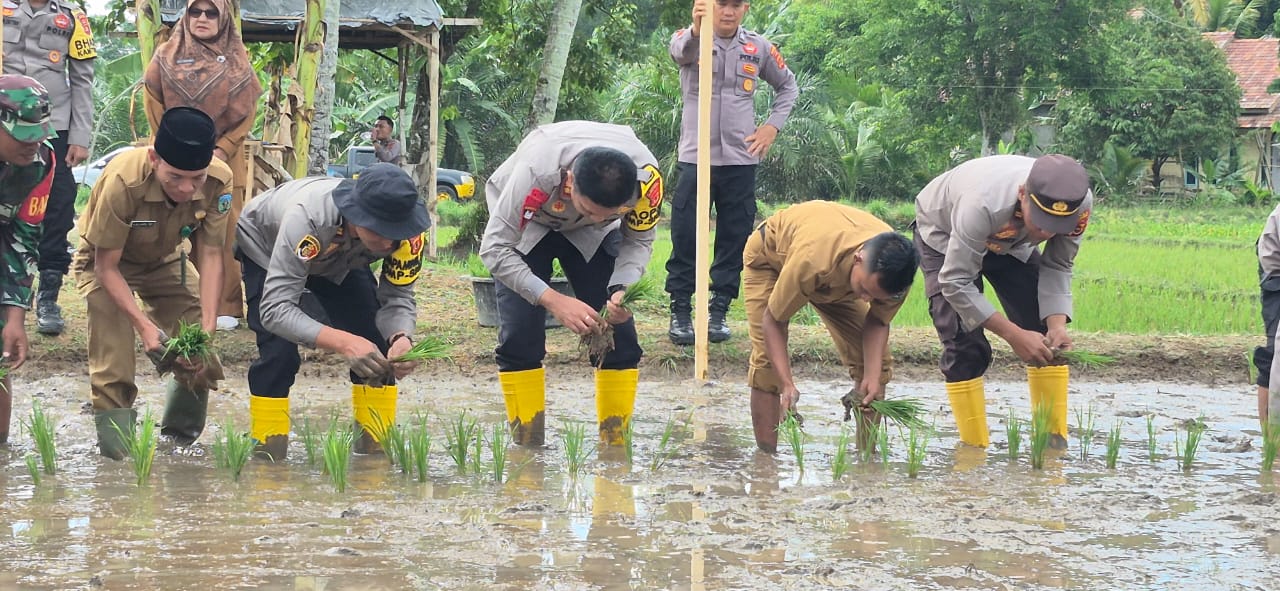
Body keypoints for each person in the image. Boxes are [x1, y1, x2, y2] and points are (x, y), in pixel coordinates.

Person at [479, 121, 663, 447]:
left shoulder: (647, 182)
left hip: (592, 241)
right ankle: (527, 447)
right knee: (521, 336)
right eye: (589, 209)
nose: (594, 218)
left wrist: (623, 288)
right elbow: (494, 250)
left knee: (618, 337)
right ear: (570, 180)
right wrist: (552, 299)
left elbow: (638, 240)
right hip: (529, 224)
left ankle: (614, 447)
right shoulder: (537, 169)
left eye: (607, 214)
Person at [236, 163, 429, 460]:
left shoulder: (408, 238)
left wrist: (401, 336)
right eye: (383, 231)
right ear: (356, 214)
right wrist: (345, 343)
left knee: (377, 346)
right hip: (269, 244)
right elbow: (275, 310)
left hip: (343, 257)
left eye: (397, 233)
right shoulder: (308, 218)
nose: (390, 243)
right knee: (279, 355)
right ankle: (268, 455)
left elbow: (398, 295)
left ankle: (372, 454)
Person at [73, 107, 232, 459]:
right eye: (175, 177)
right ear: (153, 158)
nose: (187, 189)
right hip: (106, 262)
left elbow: (210, 255)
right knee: (114, 361)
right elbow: (106, 266)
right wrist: (144, 328)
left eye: (197, 178)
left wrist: (206, 328)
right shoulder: (123, 181)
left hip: (164, 258)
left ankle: (178, 445)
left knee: (197, 348)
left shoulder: (219, 181)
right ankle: (120, 459)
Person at [913, 154, 1093, 448]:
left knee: (1046, 337)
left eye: (1055, 226)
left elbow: (1059, 265)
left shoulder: (1079, 205)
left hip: (1011, 243)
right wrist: (1013, 335)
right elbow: (956, 282)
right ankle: (973, 448)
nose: (1046, 233)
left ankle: (1051, 445)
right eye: (1042, 221)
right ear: (1023, 194)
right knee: (965, 343)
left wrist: (1057, 324)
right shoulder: (982, 203)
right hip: (945, 235)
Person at [663, 0, 798, 346]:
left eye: (735, 5)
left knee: (734, 236)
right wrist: (696, 29)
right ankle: (680, 311)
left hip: (740, 158)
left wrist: (772, 127)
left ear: (745, 8)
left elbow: (788, 87)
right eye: (721, 3)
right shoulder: (689, 38)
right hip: (696, 156)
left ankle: (718, 310)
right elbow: (680, 52)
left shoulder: (759, 47)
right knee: (685, 234)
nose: (728, 11)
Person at [743, 201, 918, 452]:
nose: (867, 301)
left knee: (877, 369)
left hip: (835, 281)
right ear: (859, 259)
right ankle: (767, 464)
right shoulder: (812, 259)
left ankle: (866, 459)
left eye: (875, 298)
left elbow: (878, 321)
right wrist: (786, 383)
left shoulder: (896, 278)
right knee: (767, 362)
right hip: (772, 260)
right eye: (867, 291)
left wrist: (871, 375)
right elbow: (774, 320)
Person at [144, 0, 263, 332]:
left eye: (211, 13)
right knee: (174, 227)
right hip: (175, 162)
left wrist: (222, 149)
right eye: (195, 12)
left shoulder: (238, 60)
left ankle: (226, 306)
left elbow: (247, 110)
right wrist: (171, 145)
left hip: (224, 162)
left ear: (223, 18)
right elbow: (152, 98)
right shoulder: (166, 55)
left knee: (223, 233)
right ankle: (183, 304)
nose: (202, 18)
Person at [3, 0, 97, 336]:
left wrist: (80, 137)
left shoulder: (74, 18)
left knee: (56, 207)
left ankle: (47, 298)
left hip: (52, 126)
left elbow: (83, 80)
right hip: (5, 125)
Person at [0, 75, 57, 445]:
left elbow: (23, 238)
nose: (33, 141)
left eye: (39, 131)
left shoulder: (41, 162)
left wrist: (15, 318)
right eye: (23, 133)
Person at [1255, 203, 1280, 429]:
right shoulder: (1279, 215)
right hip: (1277, 280)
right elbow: (1270, 262)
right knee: (1273, 357)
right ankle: (1271, 441)